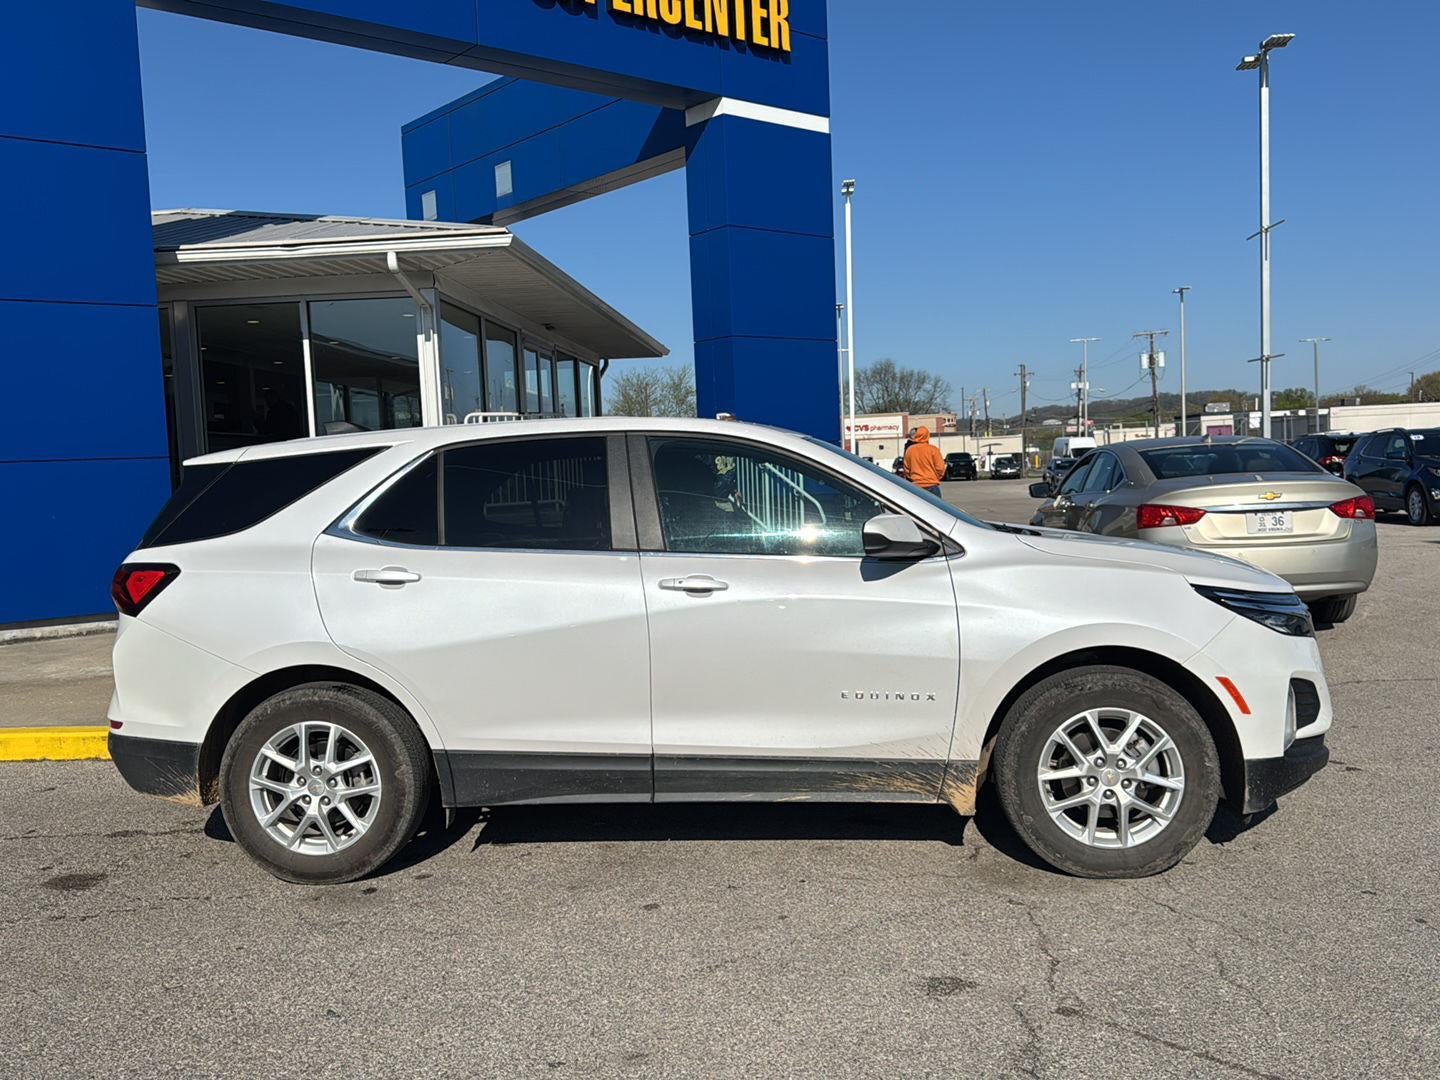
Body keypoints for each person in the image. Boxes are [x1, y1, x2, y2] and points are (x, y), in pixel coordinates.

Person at [900, 426, 946, 495]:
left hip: (916, 486)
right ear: (927, 436)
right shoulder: (933, 450)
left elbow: (907, 469)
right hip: (932, 486)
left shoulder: (910, 450)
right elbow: (940, 468)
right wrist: (934, 478)